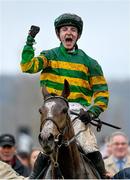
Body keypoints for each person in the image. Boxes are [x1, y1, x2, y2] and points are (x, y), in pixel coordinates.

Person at [20, 13, 109, 178]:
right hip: (53, 110)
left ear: (78, 35)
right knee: (46, 144)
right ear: (59, 34)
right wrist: (30, 40)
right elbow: (27, 67)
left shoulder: (90, 63)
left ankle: (103, 175)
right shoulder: (49, 56)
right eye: (64, 29)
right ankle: (33, 177)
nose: (69, 33)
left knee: (89, 146)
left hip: (77, 112)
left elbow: (102, 94)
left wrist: (91, 113)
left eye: (73, 30)